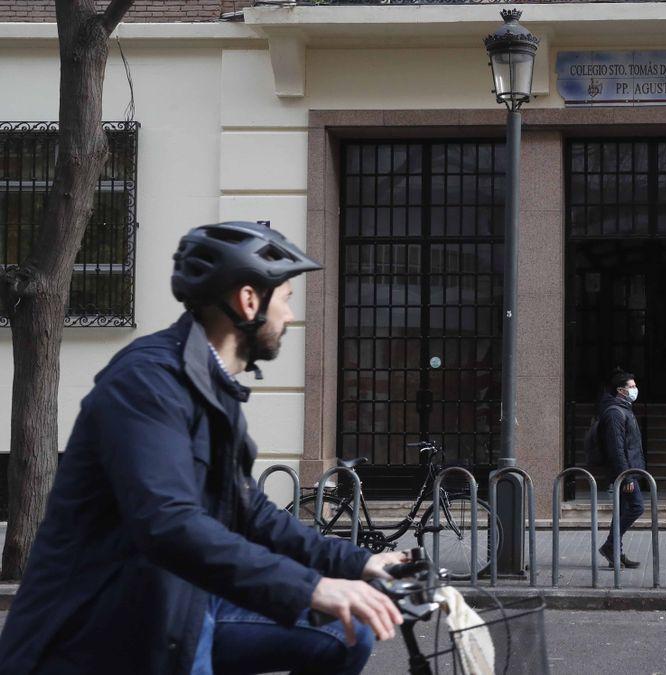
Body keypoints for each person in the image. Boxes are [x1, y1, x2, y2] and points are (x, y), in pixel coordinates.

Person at [0, 222, 407, 674]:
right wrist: (311, 587)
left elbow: (252, 513)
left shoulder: (212, 387)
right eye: (287, 300)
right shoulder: (147, 382)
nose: (290, 317)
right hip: (107, 623)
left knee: (346, 631)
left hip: (181, 598)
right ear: (249, 300)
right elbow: (168, 522)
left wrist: (358, 563)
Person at [597, 368, 646, 569]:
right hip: (623, 474)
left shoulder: (623, 409)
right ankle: (610, 546)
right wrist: (626, 477)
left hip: (629, 471)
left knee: (623, 511)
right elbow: (617, 449)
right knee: (636, 507)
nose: (635, 390)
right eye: (631, 387)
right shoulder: (615, 413)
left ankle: (615, 550)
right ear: (621, 390)